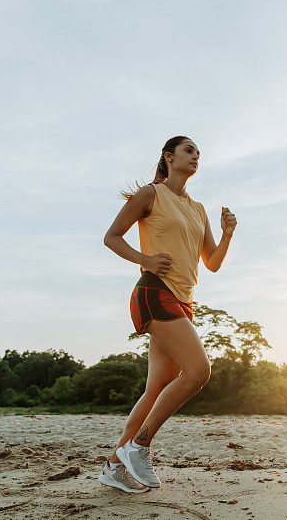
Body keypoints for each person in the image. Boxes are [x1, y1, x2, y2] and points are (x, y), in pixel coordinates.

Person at [100, 135, 237, 492]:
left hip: (183, 301)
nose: (195, 157)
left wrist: (226, 235)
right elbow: (112, 237)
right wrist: (145, 259)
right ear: (169, 156)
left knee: (157, 388)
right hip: (154, 292)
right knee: (199, 371)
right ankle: (139, 446)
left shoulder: (198, 208)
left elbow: (212, 263)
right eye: (188, 151)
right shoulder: (151, 194)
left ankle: (115, 465)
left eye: (198, 154)